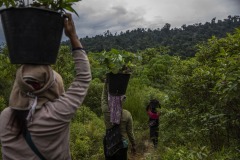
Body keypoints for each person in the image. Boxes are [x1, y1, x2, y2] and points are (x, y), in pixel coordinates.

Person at [0, 13, 91, 160]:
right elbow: (84, 78)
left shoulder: (5, 116)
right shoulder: (57, 114)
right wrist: (73, 36)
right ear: (51, 88)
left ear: (19, 86)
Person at [101, 81, 136, 160]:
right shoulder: (127, 114)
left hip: (109, 142)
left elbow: (104, 98)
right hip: (122, 144)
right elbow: (130, 132)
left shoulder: (106, 111)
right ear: (122, 101)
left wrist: (106, 83)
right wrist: (133, 144)